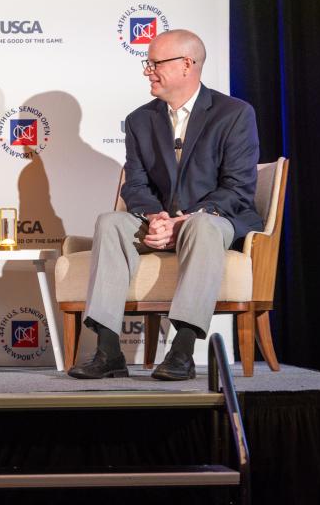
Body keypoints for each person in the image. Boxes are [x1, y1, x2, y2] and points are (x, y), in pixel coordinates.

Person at [68, 29, 263, 381]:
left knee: (201, 226)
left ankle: (182, 350)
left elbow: (238, 188)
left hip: (215, 219)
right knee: (111, 221)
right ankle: (109, 351)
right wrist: (156, 217)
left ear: (187, 65)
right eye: (148, 63)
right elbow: (137, 183)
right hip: (159, 221)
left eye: (155, 63)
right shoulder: (140, 120)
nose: (147, 71)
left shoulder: (234, 114)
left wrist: (184, 221)